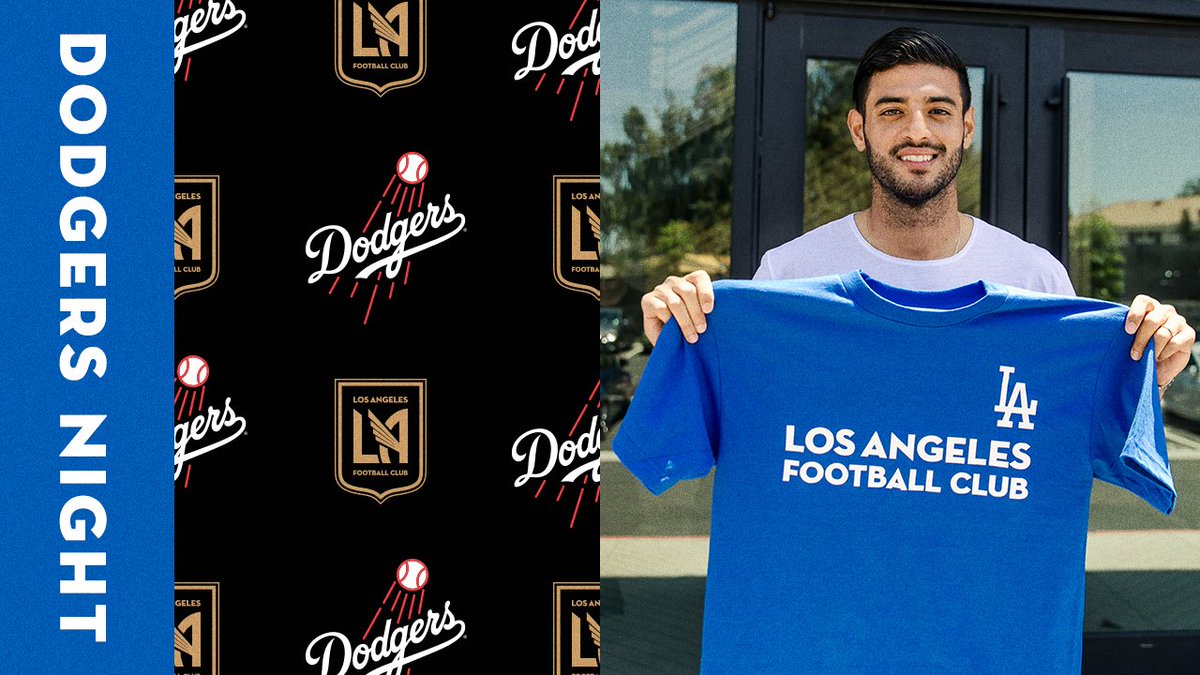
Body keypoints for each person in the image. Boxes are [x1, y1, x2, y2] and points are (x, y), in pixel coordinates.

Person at [639, 26, 1195, 391]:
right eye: (891, 112)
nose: (917, 132)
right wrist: (676, 337)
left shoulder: (1036, 277)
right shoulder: (789, 273)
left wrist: (1152, 370)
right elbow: (737, 420)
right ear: (859, 130)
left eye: (938, 110)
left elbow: (1075, 432)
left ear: (967, 128)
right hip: (834, 571)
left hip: (981, 572)